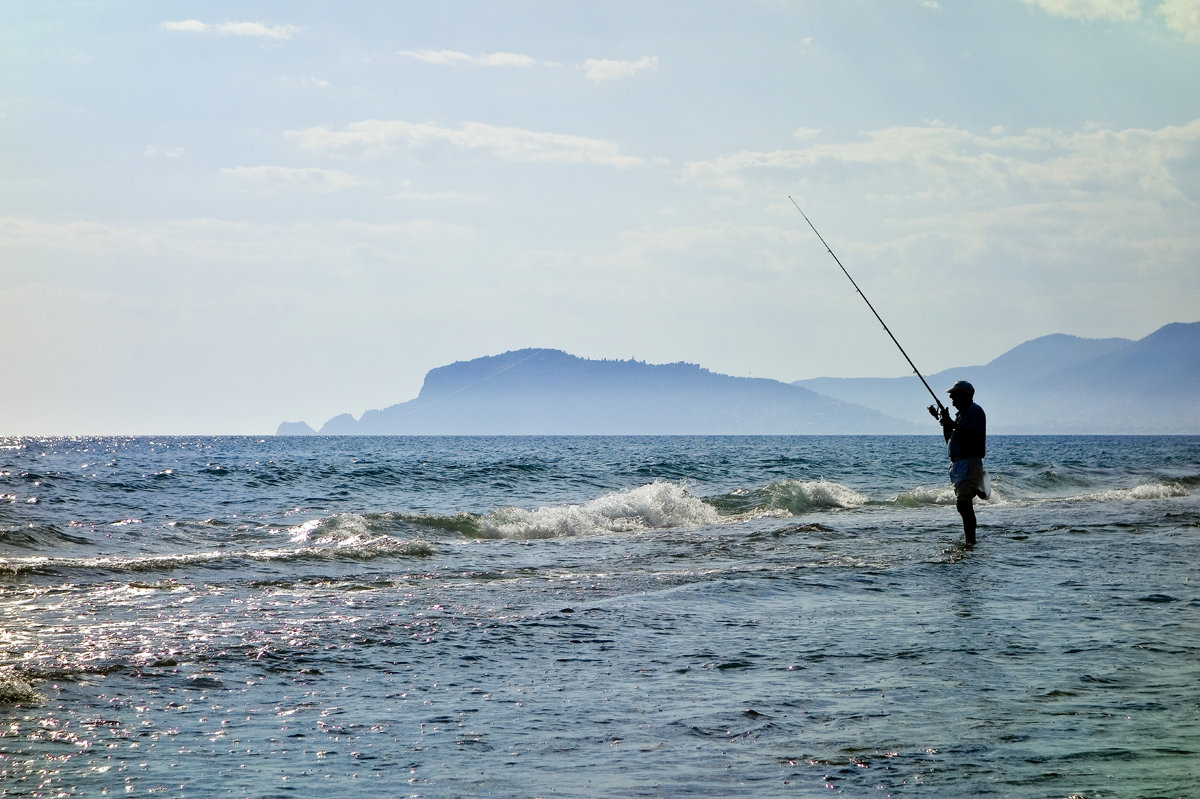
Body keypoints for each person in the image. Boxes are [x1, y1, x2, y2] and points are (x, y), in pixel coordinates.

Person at [930, 380, 988, 545]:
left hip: (969, 463)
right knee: (964, 504)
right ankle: (978, 489)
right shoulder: (961, 415)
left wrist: (952, 424)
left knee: (963, 505)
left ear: (964, 396)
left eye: (954, 396)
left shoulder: (974, 411)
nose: (952, 400)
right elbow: (950, 439)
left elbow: (972, 435)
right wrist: (945, 423)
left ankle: (971, 542)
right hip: (958, 465)